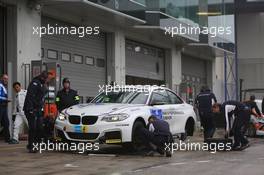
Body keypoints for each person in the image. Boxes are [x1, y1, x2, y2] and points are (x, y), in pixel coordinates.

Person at [23, 71, 51, 153]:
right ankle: (31, 146)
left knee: (40, 127)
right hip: (31, 109)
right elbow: (30, 97)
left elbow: (41, 98)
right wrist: (31, 109)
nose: (48, 81)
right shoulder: (35, 83)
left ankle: (37, 144)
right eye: (47, 79)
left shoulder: (42, 84)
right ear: (43, 78)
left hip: (38, 110)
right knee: (33, 128)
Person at [0, 74, 11, 142]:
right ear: (1, 78)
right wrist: (6, 100)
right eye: (4, 78)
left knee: (6, 122)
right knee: (5, 122)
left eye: (7, 79)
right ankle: (7, 138)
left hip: (3, 106)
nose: (6, 80)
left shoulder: (4, 86)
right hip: (1, 105)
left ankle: (7, 138)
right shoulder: (0, 85)